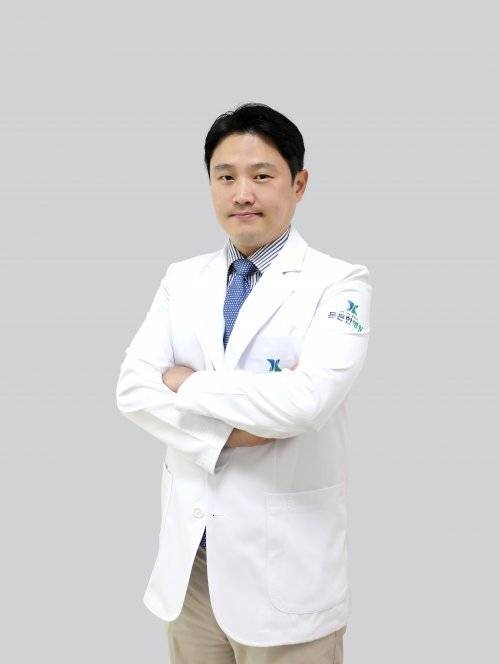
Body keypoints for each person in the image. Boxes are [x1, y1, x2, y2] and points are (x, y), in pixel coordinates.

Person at [115, 102, 372, 663]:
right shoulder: (182, 279)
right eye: (225, 177)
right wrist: (234, 431)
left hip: (286, 573)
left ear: (298, 184)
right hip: (192, 571)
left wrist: (186, 384)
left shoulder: (339, 283)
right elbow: (132, 390)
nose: (242, 194)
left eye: (261, 176)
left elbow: (306, 404)